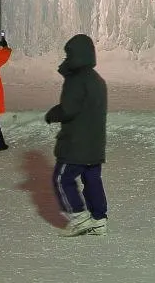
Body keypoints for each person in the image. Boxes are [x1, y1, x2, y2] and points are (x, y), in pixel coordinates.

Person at [45, 34, 109, 236]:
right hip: (94, 144)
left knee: (61, 178)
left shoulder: (77, 80)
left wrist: (53, 113)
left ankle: (79, 216)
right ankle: (99, 219)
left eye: (68, 55)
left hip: (76, 144)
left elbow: (69, 109)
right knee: (92, 180)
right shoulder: (97, 80)